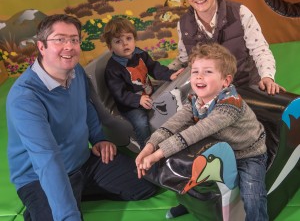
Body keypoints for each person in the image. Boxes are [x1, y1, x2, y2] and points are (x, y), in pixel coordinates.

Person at [6, 14, 157, 221]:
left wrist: (99, 138)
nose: (69, 46)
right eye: (59, 39)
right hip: (39, 176)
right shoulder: (25, 98)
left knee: (144, 184)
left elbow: (86, 105)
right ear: (41, 47)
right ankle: (48, 203)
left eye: (74, 40)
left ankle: (73, 190)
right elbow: (47, 160)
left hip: (82, 162)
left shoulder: (74, 70)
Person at [136, 43, 268, 221]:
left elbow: (195, 133)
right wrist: (149, 147)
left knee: (253, 195)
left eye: (208, 72)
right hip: (220, 147)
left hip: (247, 153)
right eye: (195, 71)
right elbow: (173, 124)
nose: (199, 76)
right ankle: (188, 204)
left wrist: (157, 155)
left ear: (225, 81)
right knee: (183, 170)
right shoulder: (195, 99)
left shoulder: (229, 106)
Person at [169, 0, 285, 95]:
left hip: (247, 89)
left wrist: (267, 76)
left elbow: (260, 50)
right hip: (213, 95)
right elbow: (184, 59)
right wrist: (167, 73)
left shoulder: (240, 13)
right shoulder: (183, 25)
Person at [103, 17, 183, 149]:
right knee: (141, 123)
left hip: (149, 91)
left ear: (134, 39)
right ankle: (146, 150)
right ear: (110, 47)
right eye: (118, 41)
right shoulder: (112, 69)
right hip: (131, 105)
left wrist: (169, 74)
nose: (125, 44)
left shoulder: (140, 54)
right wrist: (137, 99)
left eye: (128, 39)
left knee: (172, 94)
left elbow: (154, 67)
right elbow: (120, 94)